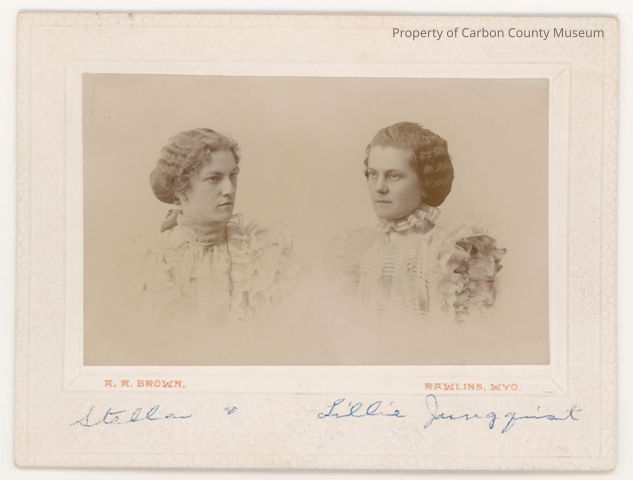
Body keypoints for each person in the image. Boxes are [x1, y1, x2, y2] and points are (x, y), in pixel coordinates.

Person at [326, 121, 506, 322]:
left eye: (394, 176)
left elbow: (472, 333)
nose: (379, 187)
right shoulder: (356, 249)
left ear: (425, 182)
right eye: (373, 174)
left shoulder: (452, 253)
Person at [141, 128, 301, 324]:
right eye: (214, 179)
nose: (229, 189)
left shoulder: (262, 257)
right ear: (180, 189)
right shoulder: (152, 260)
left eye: (233, 175)